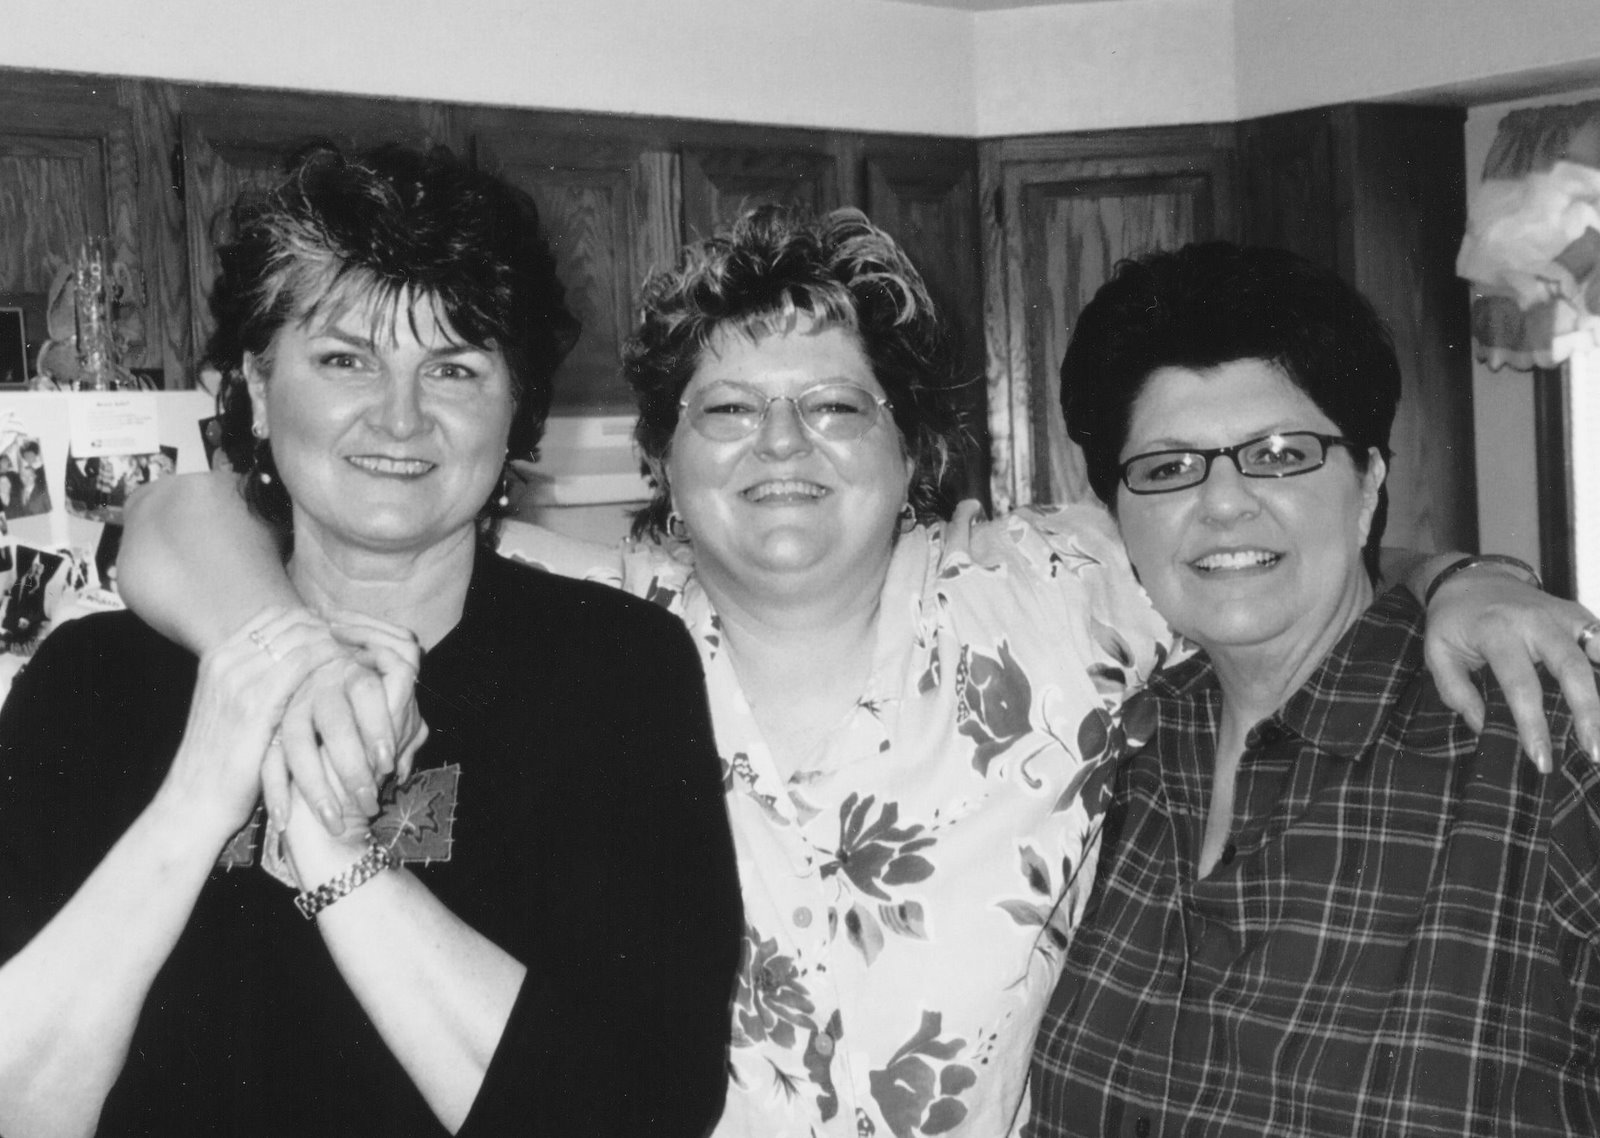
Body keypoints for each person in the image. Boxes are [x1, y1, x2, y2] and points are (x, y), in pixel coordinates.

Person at [118, 208, 1600, 1138]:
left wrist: (1468, 579)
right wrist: (281, 653)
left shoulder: (1060, 588)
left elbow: (1267, 542)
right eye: (726, 411)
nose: (780, 447)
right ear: (661, 462)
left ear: (913, 447)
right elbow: (174, 518)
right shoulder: (591, 624)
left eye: (834, 406)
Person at [0, 144, 742, 1138]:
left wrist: (333, 852)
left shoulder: (612, 669)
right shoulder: (91, 682)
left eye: (454, 368)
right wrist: (198, 796)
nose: (400, 417)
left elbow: (637, 1117)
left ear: (516, 406)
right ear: (258, 386)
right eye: (345, 359)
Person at [1027, 242, 1600, 1136]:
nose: (1224, 503)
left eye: (1281, 454)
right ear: (1119, 518)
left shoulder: (1540, 744)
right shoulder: (1106, 751)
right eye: (1169, 468)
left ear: (1367, 486)